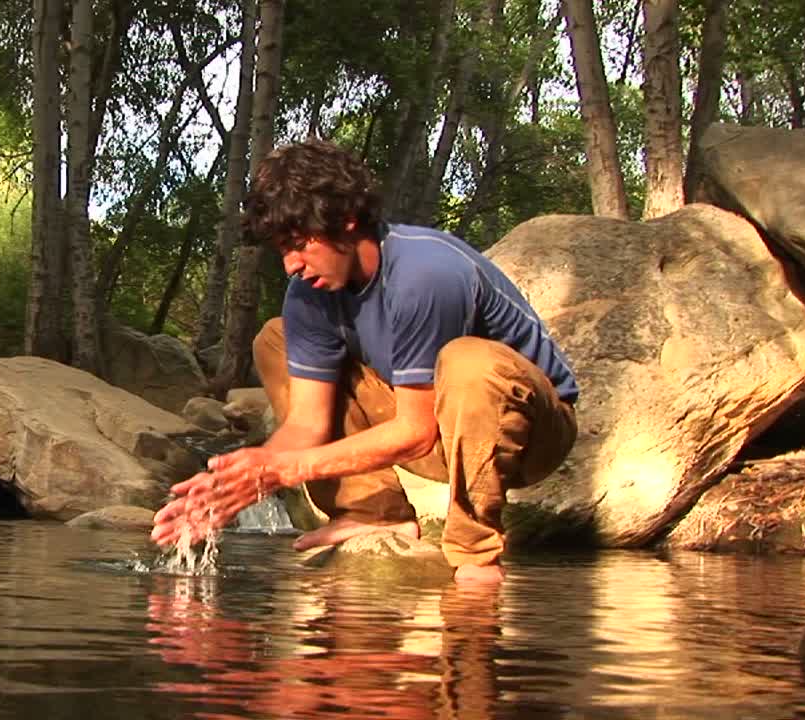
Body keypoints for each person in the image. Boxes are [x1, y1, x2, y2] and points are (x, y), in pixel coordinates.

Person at [150, 139, 579, 583]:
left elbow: (415, 433)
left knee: (468, 362)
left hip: (529, 435)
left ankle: (476, 551)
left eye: (299, 244)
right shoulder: (308, 296)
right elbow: (306, 426)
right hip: (434, 430)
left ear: (346, 221)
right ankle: (373, 511)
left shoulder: (424, 272)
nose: (291, 265)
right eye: (282, 250)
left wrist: (288, 470)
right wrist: (236, 482)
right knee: (275, 337)